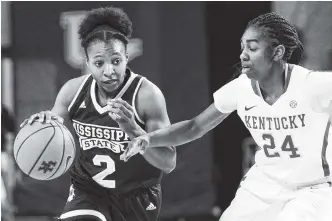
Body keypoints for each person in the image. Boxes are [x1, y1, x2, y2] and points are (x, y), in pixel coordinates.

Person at [122, 12, 332, 221]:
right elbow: (194, 127)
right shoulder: (242, 88)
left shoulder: (312, 85)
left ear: (277, 53)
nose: (243, 55)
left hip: (312, 188)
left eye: (252, 48)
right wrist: (148, 138)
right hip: (265, 184)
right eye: (242, 48)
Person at [21, 6, 176, 221]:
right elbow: (55, 118)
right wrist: (45, 124)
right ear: (87, 63)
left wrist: (133, 130)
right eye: (99, 63)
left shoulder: (147, 96)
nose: (109, 71)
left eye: (116, 61)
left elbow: (169, 162)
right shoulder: (73, 91)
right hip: (88, 189)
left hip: (137, 195)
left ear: (127, 57)